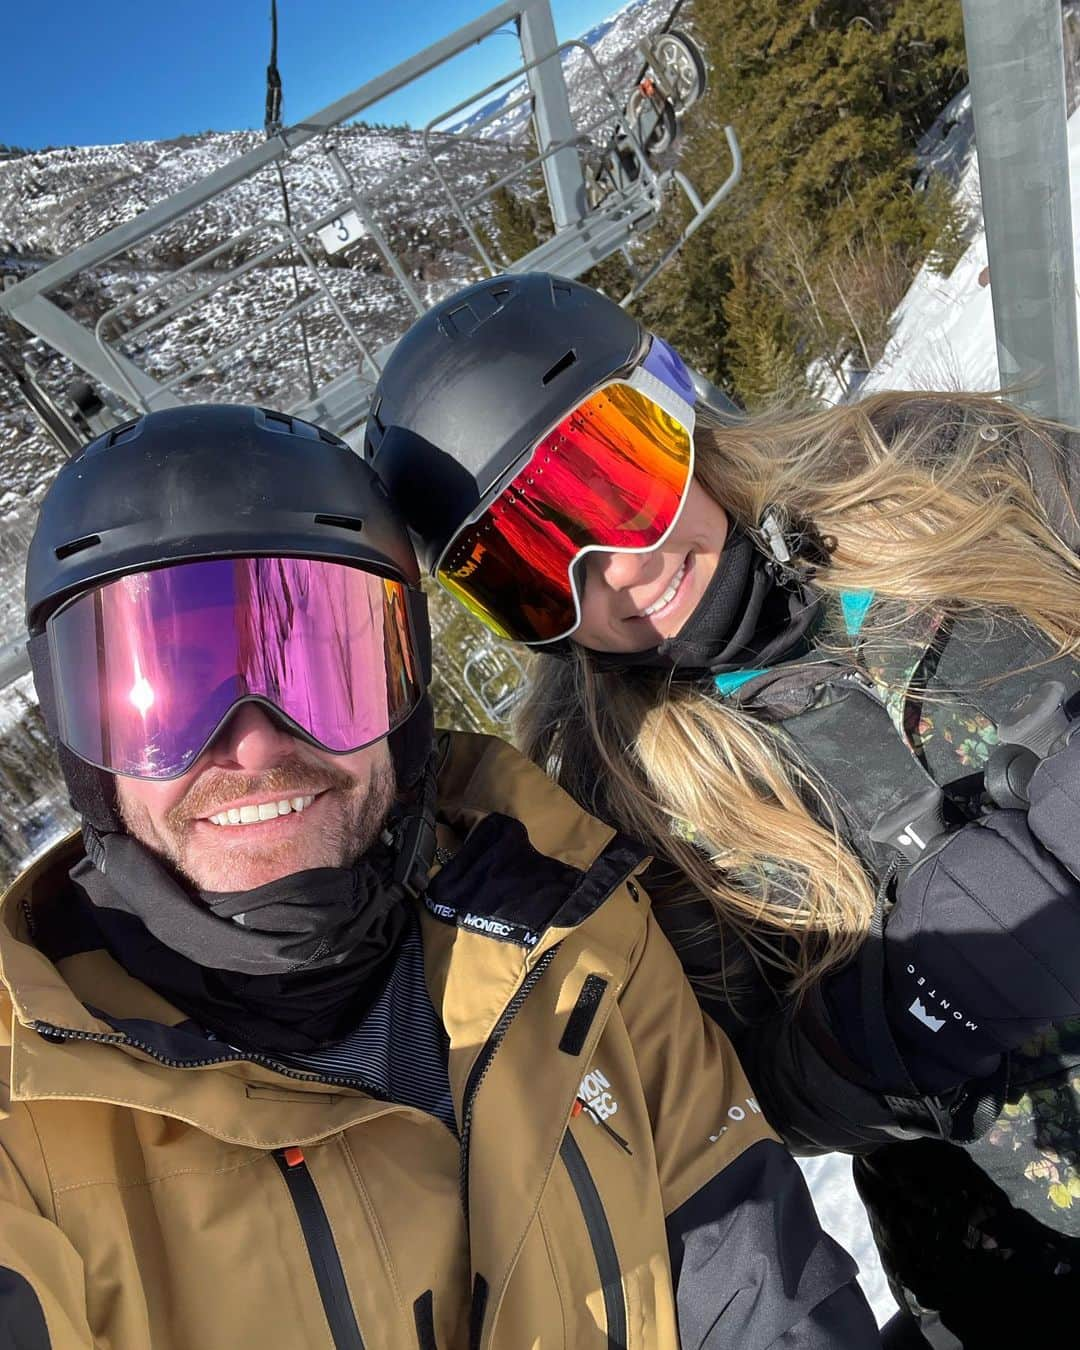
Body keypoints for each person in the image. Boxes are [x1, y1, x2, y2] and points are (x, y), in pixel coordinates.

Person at [0, 404, 877, 1349]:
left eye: (315, 667)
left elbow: (757, 1291)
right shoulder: (26, 1106)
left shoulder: (571, 923)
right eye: (164, 694)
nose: (252, 744)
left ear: (404, 687)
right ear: (82, 744)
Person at [367, 272, 1080, 1348]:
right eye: (527, 571)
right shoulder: (621, 805)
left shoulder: (945, 473)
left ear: (672, 404)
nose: (612, 575)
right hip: (1025, 1259)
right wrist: (922, 1007)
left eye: (609, 485)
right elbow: (736, 1094)